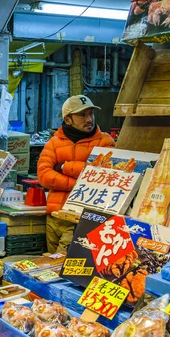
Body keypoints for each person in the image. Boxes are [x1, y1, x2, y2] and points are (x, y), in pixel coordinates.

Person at [37, 95, 115, 253]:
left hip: (81, 219)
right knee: (50, 267)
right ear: (68, 120)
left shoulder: (105, 142)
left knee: (64, 267)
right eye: (82, 115)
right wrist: (78, 185)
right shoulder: (54, 142)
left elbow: (103, 176)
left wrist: (65, 166)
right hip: (54, 217)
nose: (89, 119)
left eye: (91, 114)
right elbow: (44, 175)